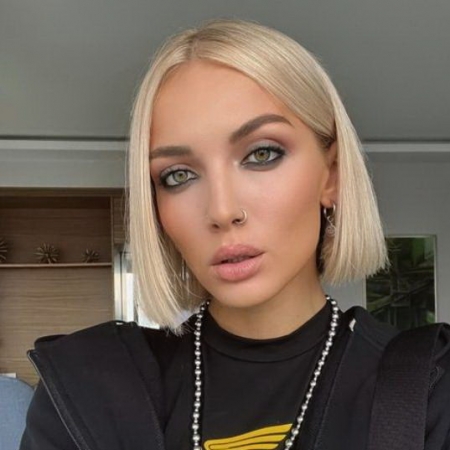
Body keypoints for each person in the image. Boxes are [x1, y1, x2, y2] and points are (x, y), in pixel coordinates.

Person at [20, 19, 450, 450]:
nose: (222, 211)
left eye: (262, 154)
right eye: (178, 175)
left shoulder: (431, 386)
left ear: (332, 174)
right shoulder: (84, 392)